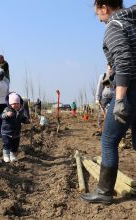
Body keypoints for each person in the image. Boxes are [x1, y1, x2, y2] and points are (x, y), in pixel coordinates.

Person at [81, 1, 136, 204]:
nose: (99, 19)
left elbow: (124, 61)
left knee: (109, 141)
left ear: (104, 7)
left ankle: (104, 193)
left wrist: (120, 98)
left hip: (129, 91)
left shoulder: (114, 26)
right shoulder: (131, 23)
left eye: (98, 14)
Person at [1, 92, 29, 162]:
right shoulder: (7, 110)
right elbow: (1, 116)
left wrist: (26, 120)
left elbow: (22, 119)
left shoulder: (20, 111)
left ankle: (12, 155)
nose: (16, 105)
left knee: (15, 145)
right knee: (6, 144)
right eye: (14, 104)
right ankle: (6, 155)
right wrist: (6, 114)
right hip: (6, 132)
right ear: (10, 104)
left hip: (16, 133)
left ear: (20, 104)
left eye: (17, 103)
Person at [95, 65, 115, 132]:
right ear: (107, 67)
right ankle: (100, 129)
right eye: (110, 69)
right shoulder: (103, 77)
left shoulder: (116, 77)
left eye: (112, 69)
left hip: (114, 98)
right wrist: (97, 98)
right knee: (101, 114)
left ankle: (114, 129)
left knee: (115, 114)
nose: (111, 70)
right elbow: (99, 88)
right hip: (105, 98)